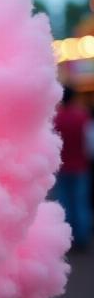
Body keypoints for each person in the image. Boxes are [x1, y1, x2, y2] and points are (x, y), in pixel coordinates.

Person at [53, 85, 91, 251]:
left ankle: (68, 237)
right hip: (80, 166)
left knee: (65, 203)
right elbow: (90, 142)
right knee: (80, 202)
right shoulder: (82, 117)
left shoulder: (57, 118)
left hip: (62, 167)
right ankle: (82, 237)